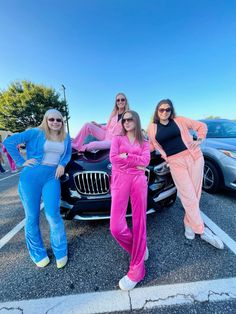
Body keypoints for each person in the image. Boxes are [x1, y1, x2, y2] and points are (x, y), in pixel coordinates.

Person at [147, 99, 224, 249]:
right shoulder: (152, 128)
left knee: (195, 194)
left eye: (167, 109)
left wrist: (200, 139)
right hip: (175, 163)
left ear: (171, 110)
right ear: (157, 111)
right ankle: (202, 231)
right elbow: (150, 146)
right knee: (188, 195)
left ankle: (189, 225)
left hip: (194, 157)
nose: (164, 112)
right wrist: (131, 151)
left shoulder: (179, 120)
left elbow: (202, 126)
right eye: (161, 110)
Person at [3, 109, 72, 268]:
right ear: (46, 120)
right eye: (51, 119)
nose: (55, 122)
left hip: (51, 178)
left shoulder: (65, 137)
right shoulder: (36, 132)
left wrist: (61, 164)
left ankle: (61, 251)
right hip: (30, 179)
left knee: (53, 215)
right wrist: (21, 161)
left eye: (58, 120)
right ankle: (37, 253)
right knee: (32, 216)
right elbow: (9, 142)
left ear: (62, 122)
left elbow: (67, 154)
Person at [109, 110, 150, 291]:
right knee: (116, 227)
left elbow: (146, 161)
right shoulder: (117, 139)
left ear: (136, 120)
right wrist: (135, 161)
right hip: (120, 180)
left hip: (138, 181)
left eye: (129, 119)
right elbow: (113, 159)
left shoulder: (144, 141)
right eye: (123, 119)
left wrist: (127, 157)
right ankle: (139, 249)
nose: (126, 122)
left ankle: (137, 271)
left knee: (140, 222)